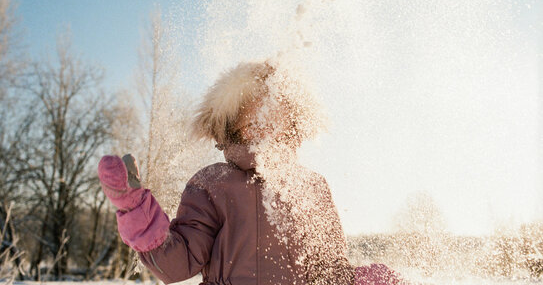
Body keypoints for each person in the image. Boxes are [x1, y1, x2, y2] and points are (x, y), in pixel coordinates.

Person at [98, 60, 407, 285]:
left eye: (274, 113)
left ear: (291, 121)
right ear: (232, 124)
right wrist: (135, 210)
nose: (265, 123)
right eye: (252, 114)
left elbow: (327, 270)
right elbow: (177, 264)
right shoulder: (212, 184)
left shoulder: (310, 187)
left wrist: (361, 281)